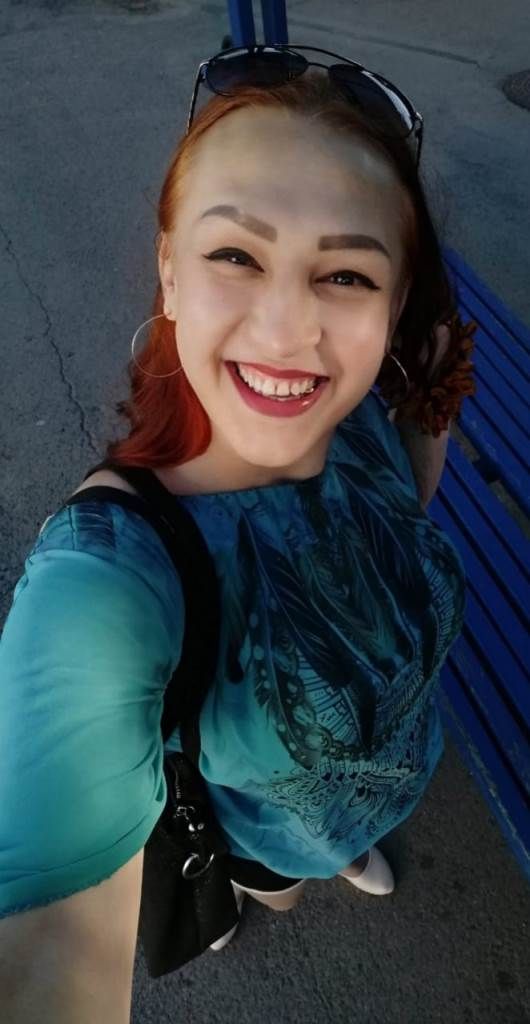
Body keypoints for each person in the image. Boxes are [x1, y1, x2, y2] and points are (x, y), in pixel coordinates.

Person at [0, 43, 469, 1020]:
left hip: (392, 772)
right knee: (281, 874)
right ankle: (265, 879)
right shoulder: (109, 579)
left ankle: (338, 846)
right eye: (236, 255)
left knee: (336, 838)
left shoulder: (358, 416)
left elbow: (401, 520)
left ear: (392, 304)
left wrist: (429, 406)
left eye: (345, 273)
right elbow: (47, 963)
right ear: (169, 271)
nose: (289, 328)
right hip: (272, 830)